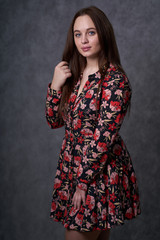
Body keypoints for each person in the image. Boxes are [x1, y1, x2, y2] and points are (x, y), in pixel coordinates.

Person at [45, 6, 141, 240]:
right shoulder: (75, 74)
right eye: (78, 34)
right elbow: (54, 121)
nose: (83, 40)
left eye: (91, 32)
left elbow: (103, 137)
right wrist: (55, 87)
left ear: (103, 34)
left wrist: (83, 182)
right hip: (73, 168)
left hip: (98, 172)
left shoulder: (115, 79)